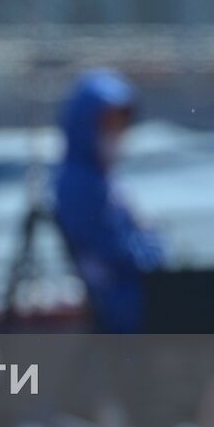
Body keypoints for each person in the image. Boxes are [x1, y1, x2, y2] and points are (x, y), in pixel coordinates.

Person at [52, 69, 165, 334]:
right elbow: (118, 255)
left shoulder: (101, 179)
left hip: (133, 294)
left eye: (120, 125)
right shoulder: (79, 183)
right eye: (108, 124)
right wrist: (150, 244)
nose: (116, 134)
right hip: (125, 303)